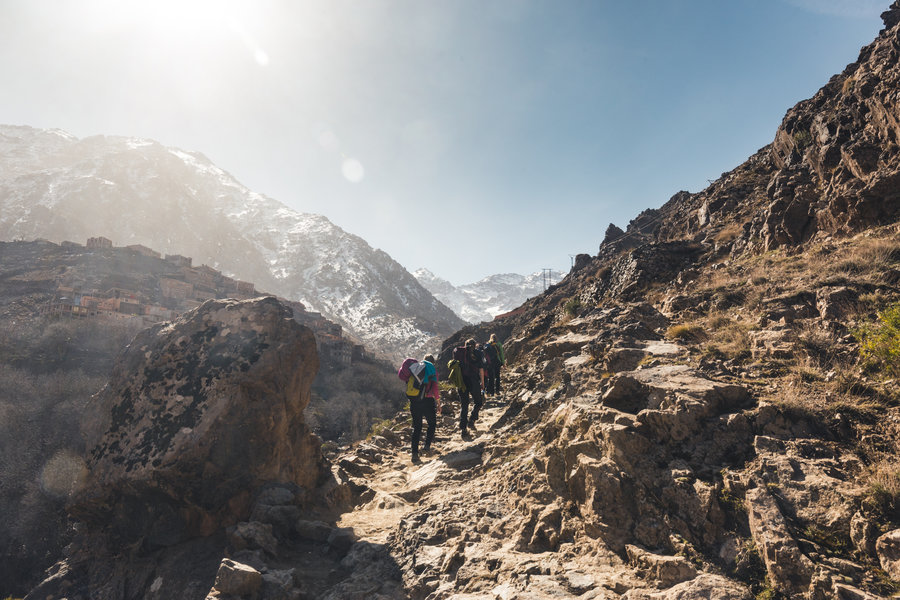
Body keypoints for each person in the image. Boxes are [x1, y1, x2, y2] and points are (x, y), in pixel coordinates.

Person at [407, 354, 440, 464]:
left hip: (415, 401)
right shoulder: (431, 369)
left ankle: (415, 453)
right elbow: (435, 387)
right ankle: (426, 445)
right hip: (427, 401)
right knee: (432, 423)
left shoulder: (415, 368)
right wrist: (439, 403)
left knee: (417, 427)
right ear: (432, 362)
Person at [455, 338, 484, 439]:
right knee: (479, 402)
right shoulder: (478, 353)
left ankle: (463, 429)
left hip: (461, 382)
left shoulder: (459, 352)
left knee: (464, 405)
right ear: (475, 345)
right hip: (473, 381)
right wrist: (482, 383)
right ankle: (472, 420)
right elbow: (481, 369)